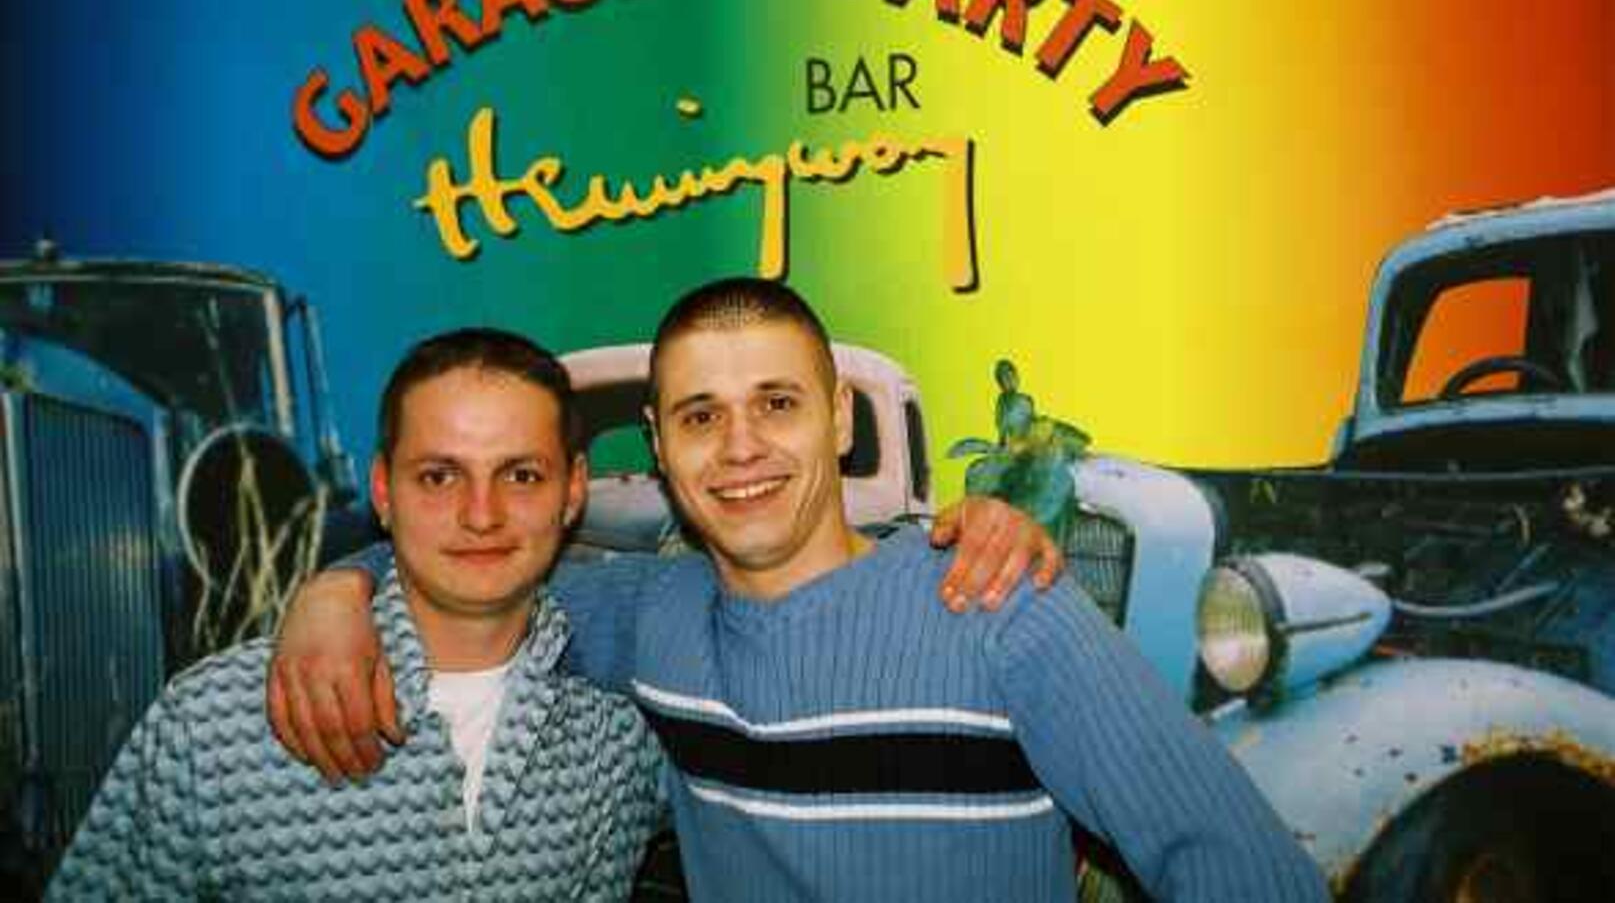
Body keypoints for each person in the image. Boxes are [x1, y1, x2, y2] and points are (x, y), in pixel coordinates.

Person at [273, 280, 1330, 901]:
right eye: (700, 416)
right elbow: (475, 575)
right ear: (658, 446)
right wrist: (332, 591)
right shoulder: (650, 614)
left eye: (775, 404)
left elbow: (1237, 869)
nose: (740, 448)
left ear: (836, 418)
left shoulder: (998, 602)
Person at [49, 330, 664, 900]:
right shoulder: (212, 723)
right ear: (383, 491)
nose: (482, 515)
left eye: (522, 475)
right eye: (439, 476)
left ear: (573, 491)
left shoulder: (629, 727)